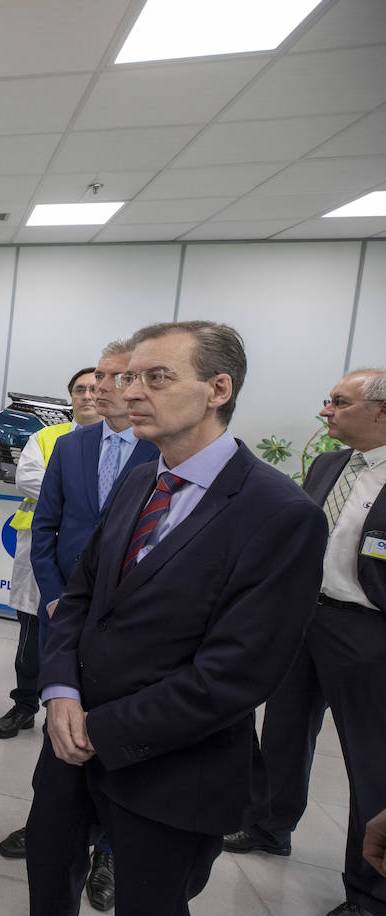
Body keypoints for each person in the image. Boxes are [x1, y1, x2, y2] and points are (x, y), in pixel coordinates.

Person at [23, 320, 329, 916]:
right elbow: (82, 597)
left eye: (157, 377)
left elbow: (236, 673)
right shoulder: (142, 479)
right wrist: (59, 690)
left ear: (218, 388)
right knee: (48, 882)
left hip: (171, 772)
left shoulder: (279, 514)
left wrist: (101, 730)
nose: (131, 392)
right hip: (68, 745)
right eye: (131, 377)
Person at [0, 339, 159, 912]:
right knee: (58, 723)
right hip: (64, 614)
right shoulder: (71, 445)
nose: (104, 390)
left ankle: (109, 850)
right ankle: (52, 822)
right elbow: (45, 527)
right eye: (99, 379)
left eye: (117, 378)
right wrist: (56, 598)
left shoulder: (161, 450)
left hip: (128, 626)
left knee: (116, 731)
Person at [222, 368, 386, 916]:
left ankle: (369, 891)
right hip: (302, 618)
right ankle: (270, 827)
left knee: (371, 761)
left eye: (339, 402)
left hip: (368, 631)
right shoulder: (329, 464)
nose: (325, 411)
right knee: (284, 731)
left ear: (382, 411)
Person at [0, 367, 100, 741]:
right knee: (32, 637)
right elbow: (28, 480)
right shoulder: (47, 437)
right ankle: (24, 706)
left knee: (86, 637)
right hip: (41, 549)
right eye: (80, 389)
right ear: (70, 398)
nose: (88, 395)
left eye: (94, 388)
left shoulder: (124, 443)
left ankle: (74, 710)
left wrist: (67, 493)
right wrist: (85, 499)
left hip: (94, 555)